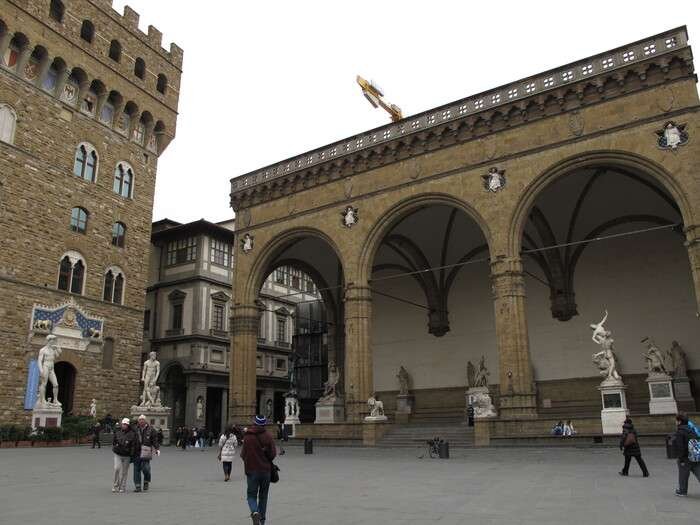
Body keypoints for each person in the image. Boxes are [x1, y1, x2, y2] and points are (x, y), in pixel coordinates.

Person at [240, 416, 277, 525]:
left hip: (252, 471)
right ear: (264, 424)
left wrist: (249, 461)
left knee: (251, 495)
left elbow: (243, 455)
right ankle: (262, 521)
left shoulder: (247, 437)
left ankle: (255, 512)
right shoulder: (268, 436)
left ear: (254, 423)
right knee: (263, 496)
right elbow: (272, 454)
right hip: (265, 471)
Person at [673, 414, 700, 497]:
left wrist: (680, 459)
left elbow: (680, 447)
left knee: (683, 474)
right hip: (695, 455)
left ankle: (682, 491)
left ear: (679, 421)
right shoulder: (692, 429)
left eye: (676, 420)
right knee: (698, 472)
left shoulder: (680, 431)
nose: (675, 422)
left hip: (686, 457)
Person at [133, 414, 160, 492]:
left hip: (146, 451)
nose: (141, 421)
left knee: (146, 468)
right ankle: (137, 486)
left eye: (143, 419)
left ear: (145, 421)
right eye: (140, 419)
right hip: (136, 452)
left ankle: (146, 481)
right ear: (138, 421)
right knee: (136, 469)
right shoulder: (135, 429)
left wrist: (157, 449)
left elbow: (155, 440)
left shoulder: (151, 429)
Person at [112, 418, 136, 493]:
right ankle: (115, 485)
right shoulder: (118, 432)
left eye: (125, 424)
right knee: (116, 468)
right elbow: (114, 441)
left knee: (124, 472)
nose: (124, 425)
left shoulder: (132, 433)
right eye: (123, 424)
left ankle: (122, 487)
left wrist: (132, 454)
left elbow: (133, 445)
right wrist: (115, 446)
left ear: (128, 425)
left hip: (127, 455)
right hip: (118, 453)